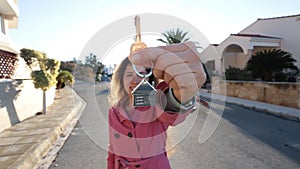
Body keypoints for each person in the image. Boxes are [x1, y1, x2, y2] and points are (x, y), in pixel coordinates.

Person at [107, 42, 206, 169]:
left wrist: (182, 94)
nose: (135, 80)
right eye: (129, 74)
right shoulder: (113, 111)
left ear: (148, 79)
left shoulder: (155, 103)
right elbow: (112, 150)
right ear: (121, 79)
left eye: (141, 74)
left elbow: (169, 110)